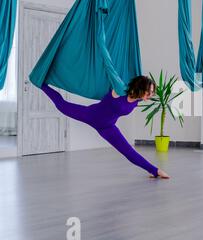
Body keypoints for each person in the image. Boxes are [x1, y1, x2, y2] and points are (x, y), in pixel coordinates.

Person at [40, 76, 170, 179]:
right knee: (62, 105)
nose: (151, 94)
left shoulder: (138, 100)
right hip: (90, 115)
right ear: (141, 87)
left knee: (129, 152)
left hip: (107, 127)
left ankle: (155, 171)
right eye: (150, 91)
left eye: (153, 92)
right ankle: (41, 83)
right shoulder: (119, 91)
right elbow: (112, 70)